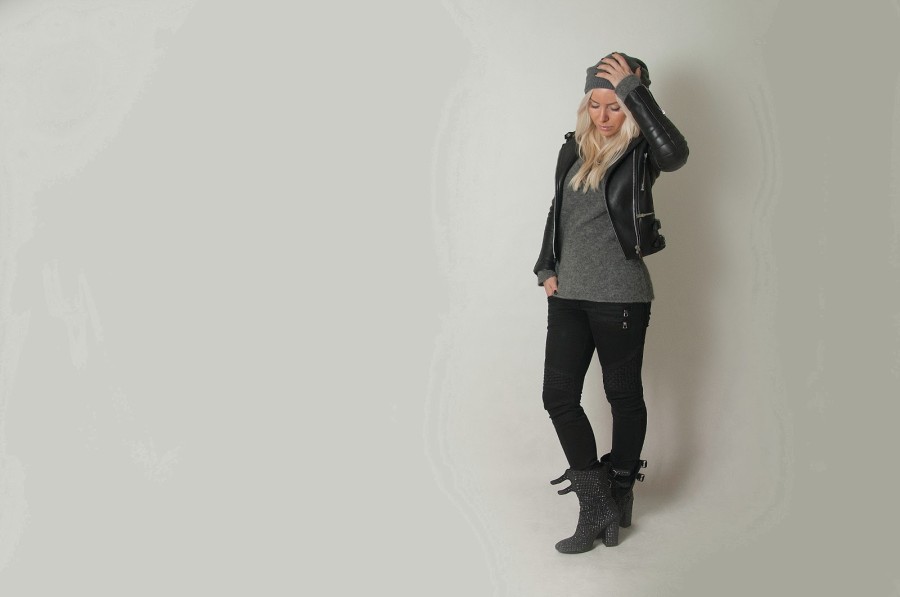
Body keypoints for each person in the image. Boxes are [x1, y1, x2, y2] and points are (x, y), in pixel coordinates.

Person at [533, 52, 689, 554]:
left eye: (615, 105)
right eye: (596, 104)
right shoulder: (572, 148)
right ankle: (596, 500)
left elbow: (676, 154)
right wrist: (545, 268)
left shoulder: (643, 152)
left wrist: (635, 92)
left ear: (631, 105)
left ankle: (620, 490)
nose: (604, 115)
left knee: (623, 397)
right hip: (568, 296)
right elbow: (557, 211)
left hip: (620, 297)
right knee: (558, 397)